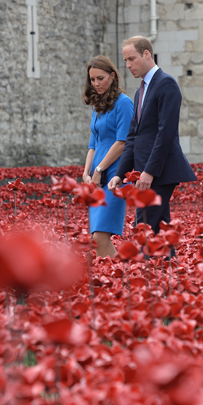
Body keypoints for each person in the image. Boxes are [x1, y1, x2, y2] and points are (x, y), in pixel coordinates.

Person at [108, 36, 197, 235]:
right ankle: (168, 265)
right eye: (125, 61)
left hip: (160, 172)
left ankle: (146, 267)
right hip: (147, 172)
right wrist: (119, 174)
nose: (128, 65)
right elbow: (133, 137)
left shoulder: (166, 84)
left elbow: (166, 133)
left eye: (132, 59)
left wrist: (149, 172)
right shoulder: (139, 93)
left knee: (144, 227)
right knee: (159, 230)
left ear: (146, 54)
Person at [82, 55, 133, 257]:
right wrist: (86, 174)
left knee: (100, 237)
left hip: (114, 175)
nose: (96, 84)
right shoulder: (97, 105)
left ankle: (122, 278)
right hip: (96, 177)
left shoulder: (124, 103)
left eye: (100, 78)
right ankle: (116, 281)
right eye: (92, 80)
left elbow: (122, 142)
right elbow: (93, 144)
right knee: (96, 238)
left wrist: (99, 169)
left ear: (112, 76)